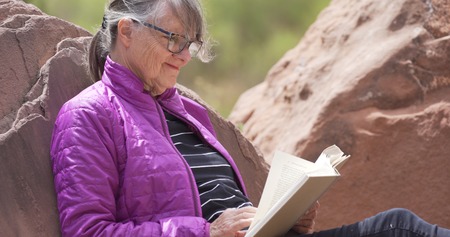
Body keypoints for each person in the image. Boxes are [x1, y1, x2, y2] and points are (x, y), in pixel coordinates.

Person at [50, 0, 450, 236]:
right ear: (126, 31)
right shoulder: (88, 116)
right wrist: (209, 231)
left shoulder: (187, 110)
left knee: (397, 225)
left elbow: (227, 207)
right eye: (173, 39)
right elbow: (88, 231)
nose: (185, 55)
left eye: (190, 43)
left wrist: (287, 216)